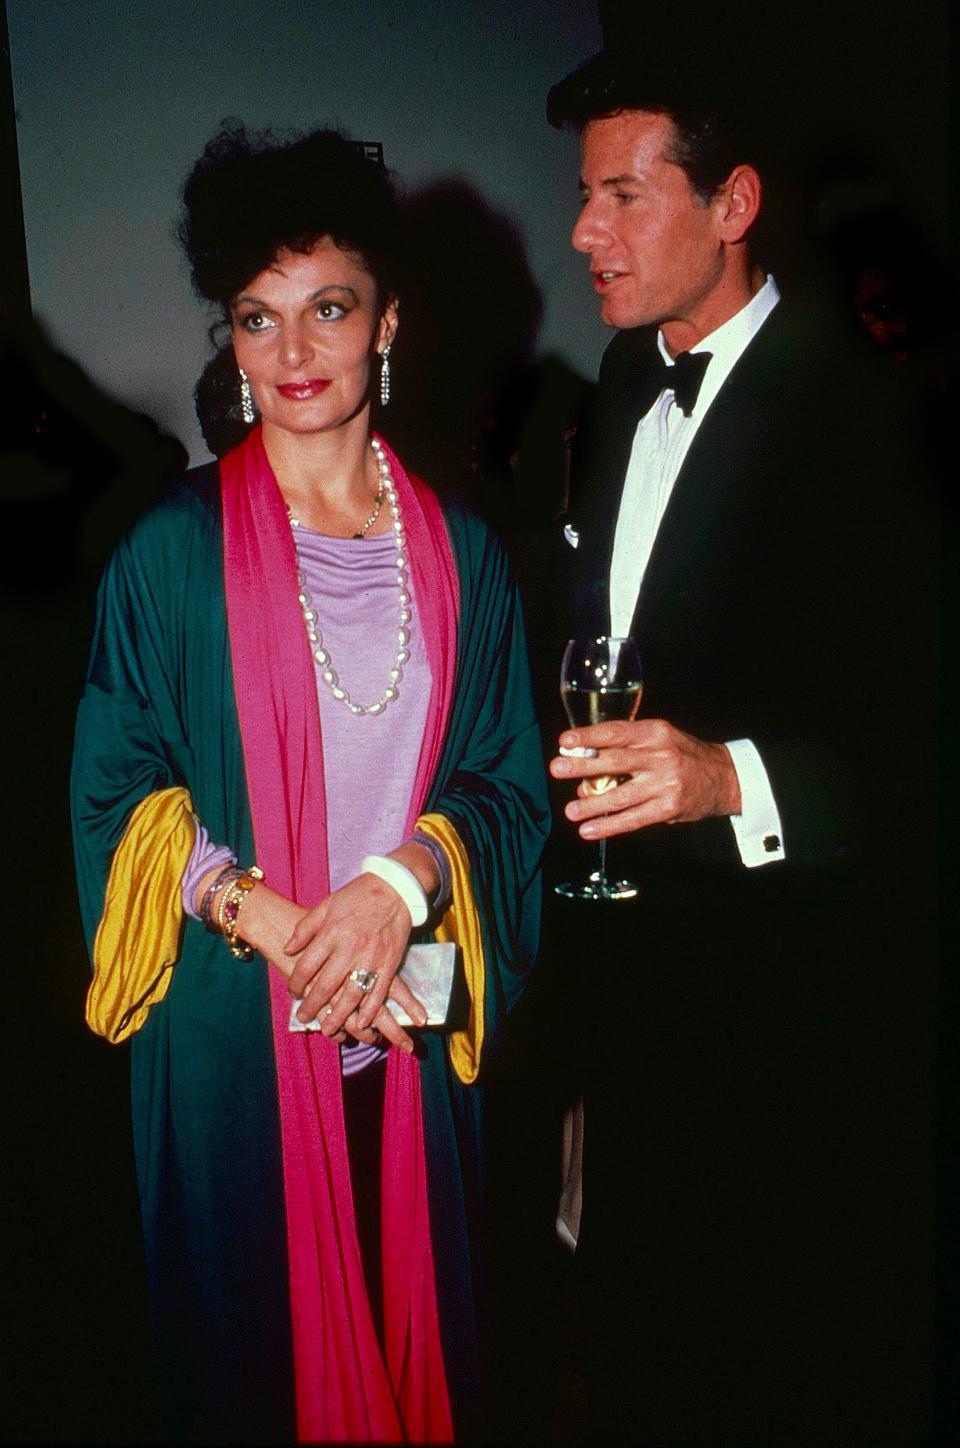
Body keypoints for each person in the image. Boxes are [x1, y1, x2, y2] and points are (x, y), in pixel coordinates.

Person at [70, 124, 548, 1446]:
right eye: (257, 319)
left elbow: (510, 777)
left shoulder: (469, 558)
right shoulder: (165, 555)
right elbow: (116, 802)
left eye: (328, 308)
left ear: (387, 319)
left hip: (412, 1046)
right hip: (233, 1050)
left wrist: (400, 888)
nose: (292, 356)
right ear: (229, 339)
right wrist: (281, 928)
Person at [542, 42, 938, 1446]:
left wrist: (730, 779)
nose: (583, 230)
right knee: (647, 1356)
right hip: (635, 1001)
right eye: (581, 196)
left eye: (622, 196)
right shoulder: (607, 389)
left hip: (807, 1024)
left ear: (736, 202)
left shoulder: (880, 413)